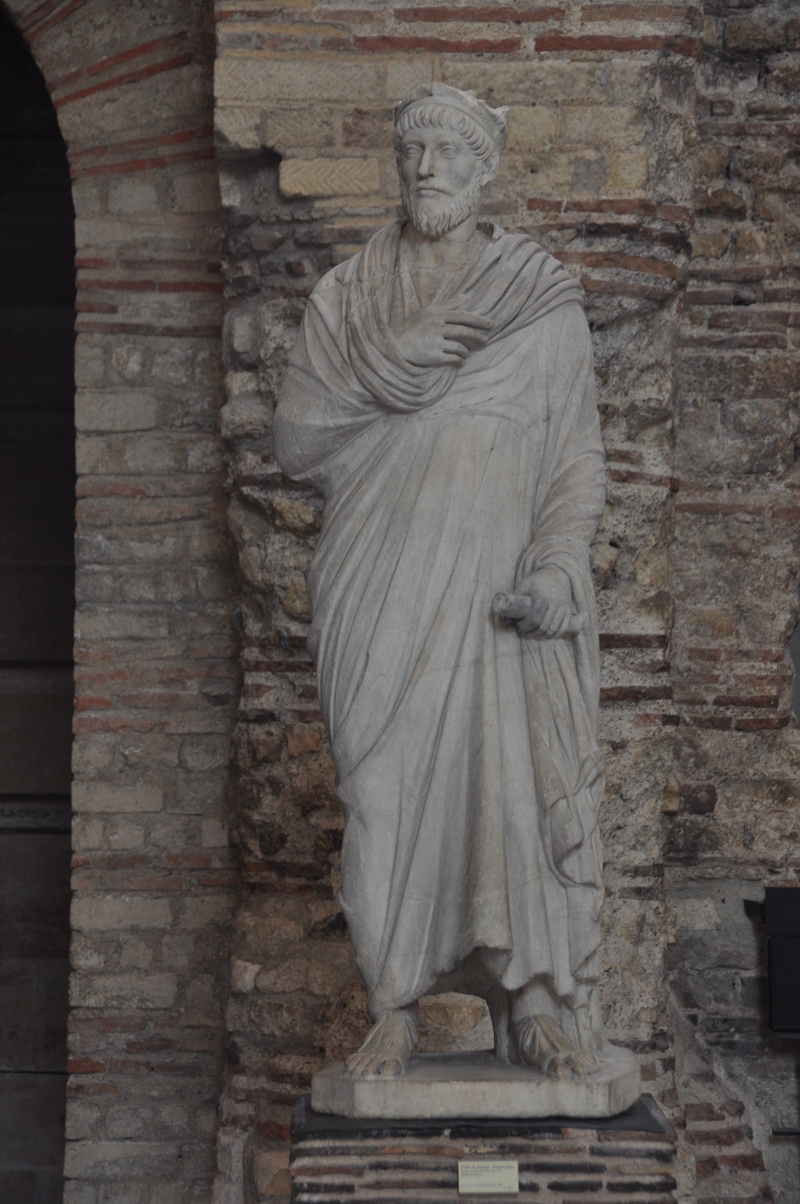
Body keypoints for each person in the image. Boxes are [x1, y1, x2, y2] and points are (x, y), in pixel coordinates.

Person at [274, 83, 608, 1081]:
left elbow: (574, 465)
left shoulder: (539, 300)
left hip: (496, 587)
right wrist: (394, 360)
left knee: (508, 789)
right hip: (376, 580)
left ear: (486, 168)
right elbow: (294, 440)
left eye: (450, 151)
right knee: (377, 791)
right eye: (412, 151)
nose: (427, 169)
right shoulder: (347, 299)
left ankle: (533, 999)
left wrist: (556, 567)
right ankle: (392, 1003)